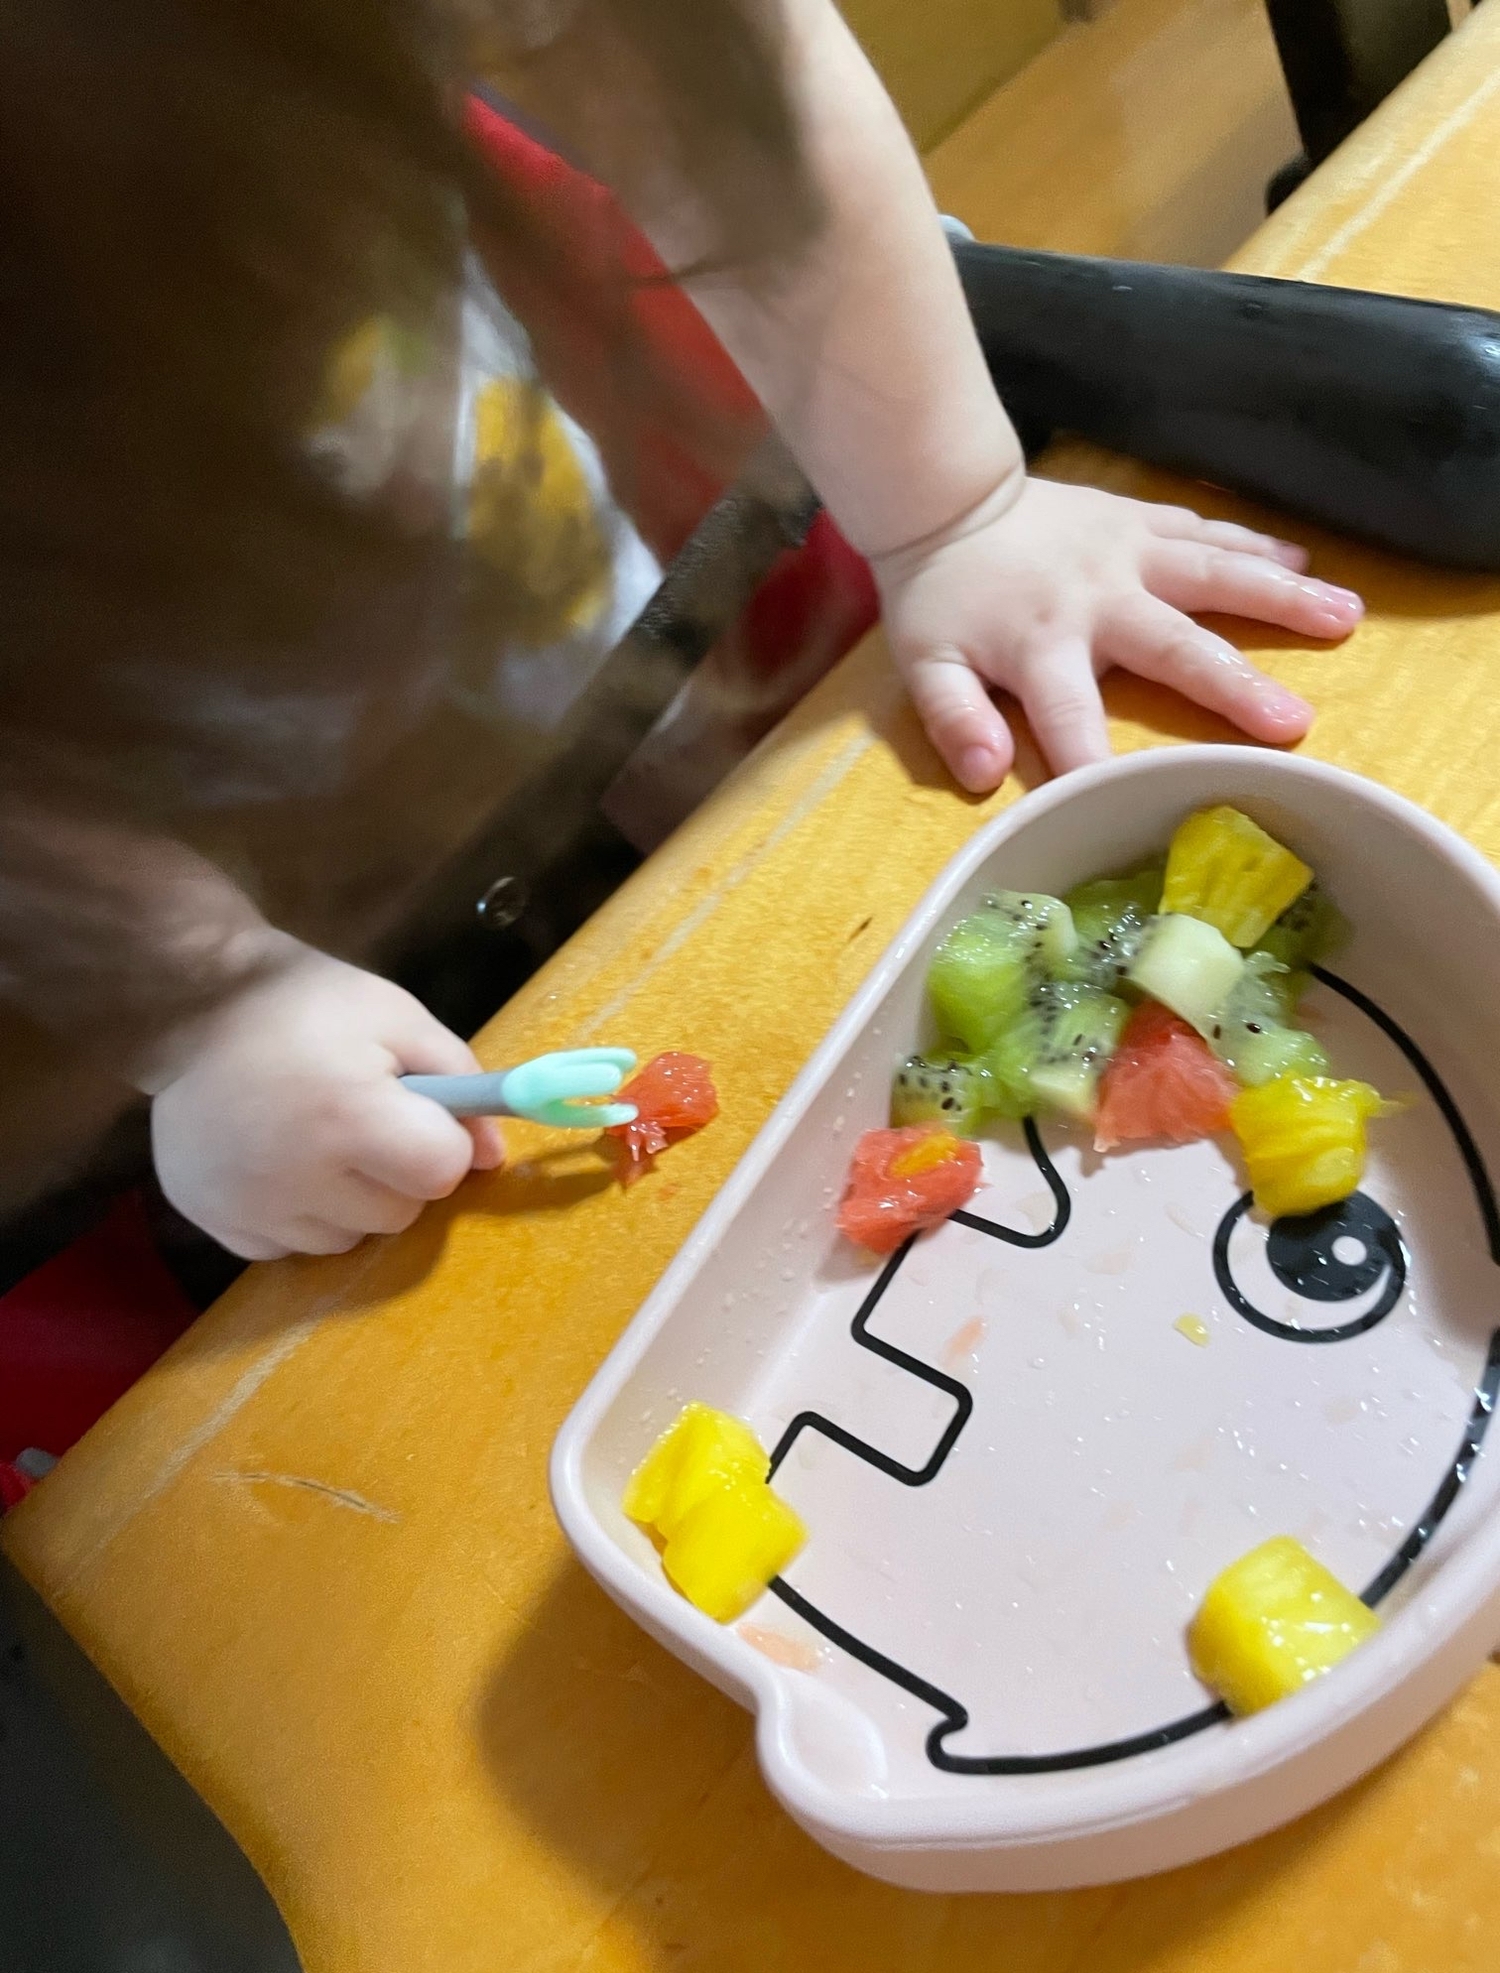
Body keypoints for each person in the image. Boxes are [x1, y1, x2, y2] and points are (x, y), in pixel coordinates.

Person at [0, 0, 1361, 1266]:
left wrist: (951, 510)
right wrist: (204, 1004)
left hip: (558, 627)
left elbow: (721, 61)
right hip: (142, 844)